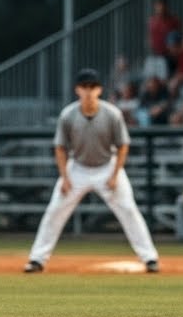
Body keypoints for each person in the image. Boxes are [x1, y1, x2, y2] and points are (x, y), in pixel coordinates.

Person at [23, 68, 160, 274]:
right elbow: (60, 148)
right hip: (77, 168)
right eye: (84, 87)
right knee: (55, 211)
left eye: (92, 87)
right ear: (77, 90)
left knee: (128, 210)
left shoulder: (112, 114)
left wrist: (114, 175)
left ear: (99, 90)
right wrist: (65, 177)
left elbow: (123, 145)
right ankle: (37, 259)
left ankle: (150, 258)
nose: (88, 91)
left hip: (107, 166)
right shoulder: (68, 115)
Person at [144, 0, 182, 81]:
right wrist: (150, 45)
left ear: (167, 7)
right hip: (156, 53)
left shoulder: (174, 20)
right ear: (155, 7)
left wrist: (174, 50)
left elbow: (179, 35)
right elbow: (149, 36)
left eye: (163, 6)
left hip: (170, 54)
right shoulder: (151, 21)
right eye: (158, 6)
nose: (161, 8)